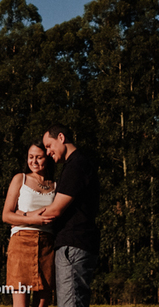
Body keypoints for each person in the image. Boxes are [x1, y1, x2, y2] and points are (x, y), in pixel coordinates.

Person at [39, 123, 100, 307]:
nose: (48, 152)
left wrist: (23, 216)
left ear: (61, 138)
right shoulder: (76, 164)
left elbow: (56, 209)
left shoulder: (76, 165)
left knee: (70, 303)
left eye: (49, 146)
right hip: (77, 244)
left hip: (73, 244)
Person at [1, 142, 57, 307]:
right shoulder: (20, 179)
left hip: (47, 245)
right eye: (30, 157)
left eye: (39, 157)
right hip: (21, 242)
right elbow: (6, 215)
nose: (33, 161)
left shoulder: (56, 185)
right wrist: (31, 218)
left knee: (42, 303)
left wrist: (22, 213)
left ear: (47, 158)